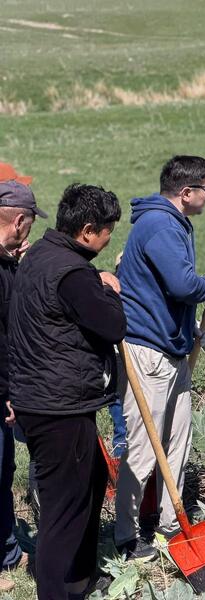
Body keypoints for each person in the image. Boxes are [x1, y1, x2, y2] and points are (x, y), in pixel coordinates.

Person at [9, 183, 125, 600]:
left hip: (41, 398)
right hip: (60, 407)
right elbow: (112, 326)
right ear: (88, 230)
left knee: (92, 479)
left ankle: (79, 578)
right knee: (64, 512)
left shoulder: (41, 255)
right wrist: (109, 291)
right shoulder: (72, 274)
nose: (109, 238)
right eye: (108, 230)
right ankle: (57, 591)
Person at [114, 156, 205, 560]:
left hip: (172, 348)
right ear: (187, 192)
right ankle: (126, 536)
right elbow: (182, 285)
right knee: (145, 447)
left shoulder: (173, 222)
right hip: (148, 353)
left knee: (178, 441)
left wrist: (187, 326)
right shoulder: (160, 225)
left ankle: (168, 524)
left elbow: (160, 291)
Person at [0, 167, 46, 593]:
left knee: (3, 471)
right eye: (29, 224)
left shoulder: (5, 263)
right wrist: (8, 392)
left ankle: (8, 552)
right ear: (18, 222)